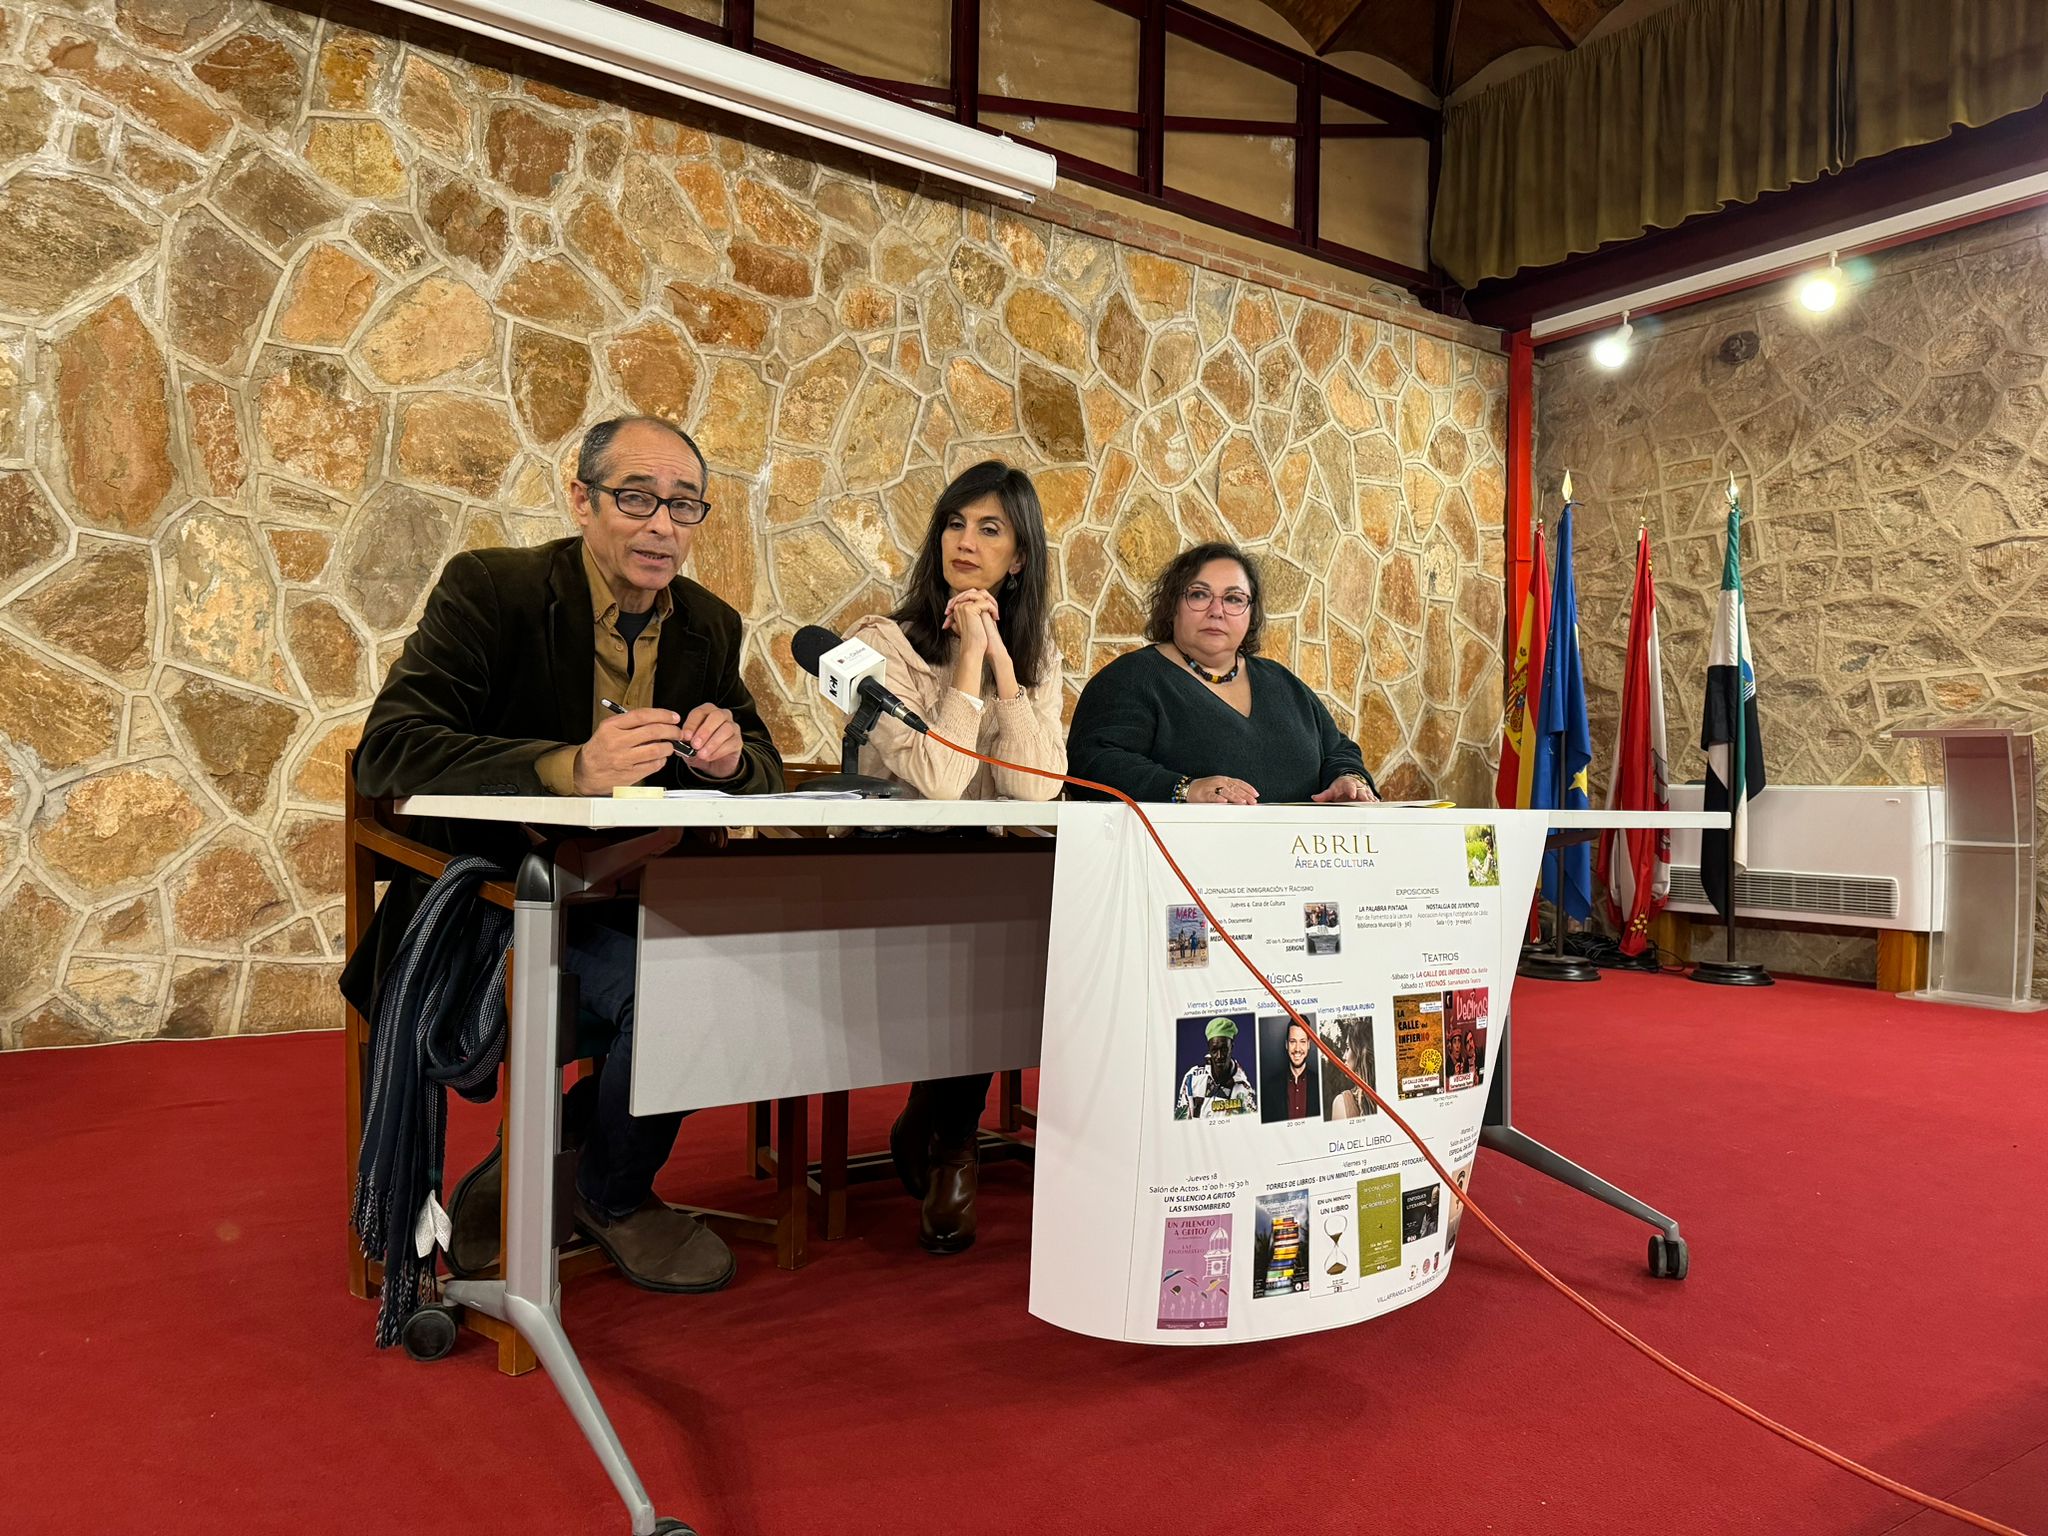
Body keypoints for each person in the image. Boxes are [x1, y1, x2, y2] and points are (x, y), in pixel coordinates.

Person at [343, 415, 784, 1296]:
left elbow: (765, 762)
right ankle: (595, 1180)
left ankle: (587, 1175)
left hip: (630, 895)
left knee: (740, 978)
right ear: (582, 500)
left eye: (684, 506)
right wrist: (565, 768)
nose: (662, 525)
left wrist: (733, 760)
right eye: (637, 498)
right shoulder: (492, 591)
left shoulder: (708, 624)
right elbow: (392, 748)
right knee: (675, 992)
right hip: (496, 902)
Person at [841, 459, 1065, 1255]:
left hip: (979, 873)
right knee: (985, 928)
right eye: (955, 523)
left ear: (1019, 558)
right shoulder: (876, 645)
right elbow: (939, 781)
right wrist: (967, 656)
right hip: (887, 867)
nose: (965, 541)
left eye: (990, 529)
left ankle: (946, 1129)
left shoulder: (1036, 655)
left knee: (1004, 923)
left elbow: (1033, 792)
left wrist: (1004, 664)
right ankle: (951, 1140)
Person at [1067, 541, 1381, 805]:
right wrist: (1185, 789)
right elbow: (1092, 763)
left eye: (1233, 599)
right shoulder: (1133, 679)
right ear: (1172, 605)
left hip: (1296, 858)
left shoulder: (1283, 683)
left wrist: (1347, 778)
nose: (1216, 611)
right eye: (1199, 594)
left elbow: (1338, 750)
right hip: (1176, 857)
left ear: (1250, 613)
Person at [1176, 1016, 1257, 1119]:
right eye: (1214, 1050)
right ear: (1209, 1049)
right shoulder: (1192, 1078)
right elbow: (1181, 1120)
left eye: (1224, 1049)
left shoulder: (1245, 1090)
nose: (1219, 1056)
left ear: (1232, 1047)